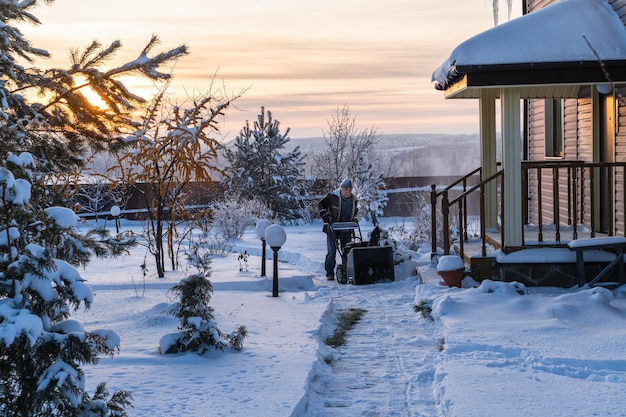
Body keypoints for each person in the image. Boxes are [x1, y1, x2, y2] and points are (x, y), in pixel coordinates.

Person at [318, 178, 358, 280]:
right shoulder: (333, 197)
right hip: (332, 228)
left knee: (347, 251)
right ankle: (329, 273)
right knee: (332, 251)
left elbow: (355, 211)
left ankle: (347, 271)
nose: (348, 192)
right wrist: (324, 215)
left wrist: (354, 219)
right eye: (346, 190)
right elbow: (320, 204)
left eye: (349, 190)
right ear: (341, 189)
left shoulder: (354, 200)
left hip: (346, 228)